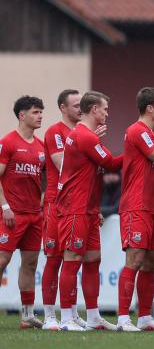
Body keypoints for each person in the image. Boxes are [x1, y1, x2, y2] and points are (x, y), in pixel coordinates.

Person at [56, 91, 124, 331]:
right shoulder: (85, 136)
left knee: (93, 260)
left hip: (88, 209)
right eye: (105, 109)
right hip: (75, 208)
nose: (107, 113)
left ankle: (93, 316)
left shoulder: (86, 136)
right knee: (72, 259)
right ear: (94, 109)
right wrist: (137, 149)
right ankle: (65, 317)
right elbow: (113, 164)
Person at [115, 87, 154, 332]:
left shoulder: (151, 134)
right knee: (135, 260)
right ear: (149, 108)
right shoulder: (138, 131)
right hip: (136, 206)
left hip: (152, 208)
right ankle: (122, 318)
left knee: (150, 263)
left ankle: (145, 317)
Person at [41, 89, 91, 329]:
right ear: (62, 108)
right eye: (75, 105)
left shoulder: (83, 132)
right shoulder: (55, 132)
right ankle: (50, 315)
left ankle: (70, 312)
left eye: (82, 104)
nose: (80, 109)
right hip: (55, 202)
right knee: (54, 258)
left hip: (78, 203)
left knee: (74, 259)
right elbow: (62, 164)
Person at [0, 96, 46, 329]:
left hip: (34, 215)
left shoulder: (41, 147)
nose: (40, 116)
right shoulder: (7, 142)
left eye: (41, 112)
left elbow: (46, 179)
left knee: (30, 263)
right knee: (2, 261)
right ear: (22, 115)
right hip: (11, 214)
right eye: (36, 112)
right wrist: (5, 207)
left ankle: (27, 315)